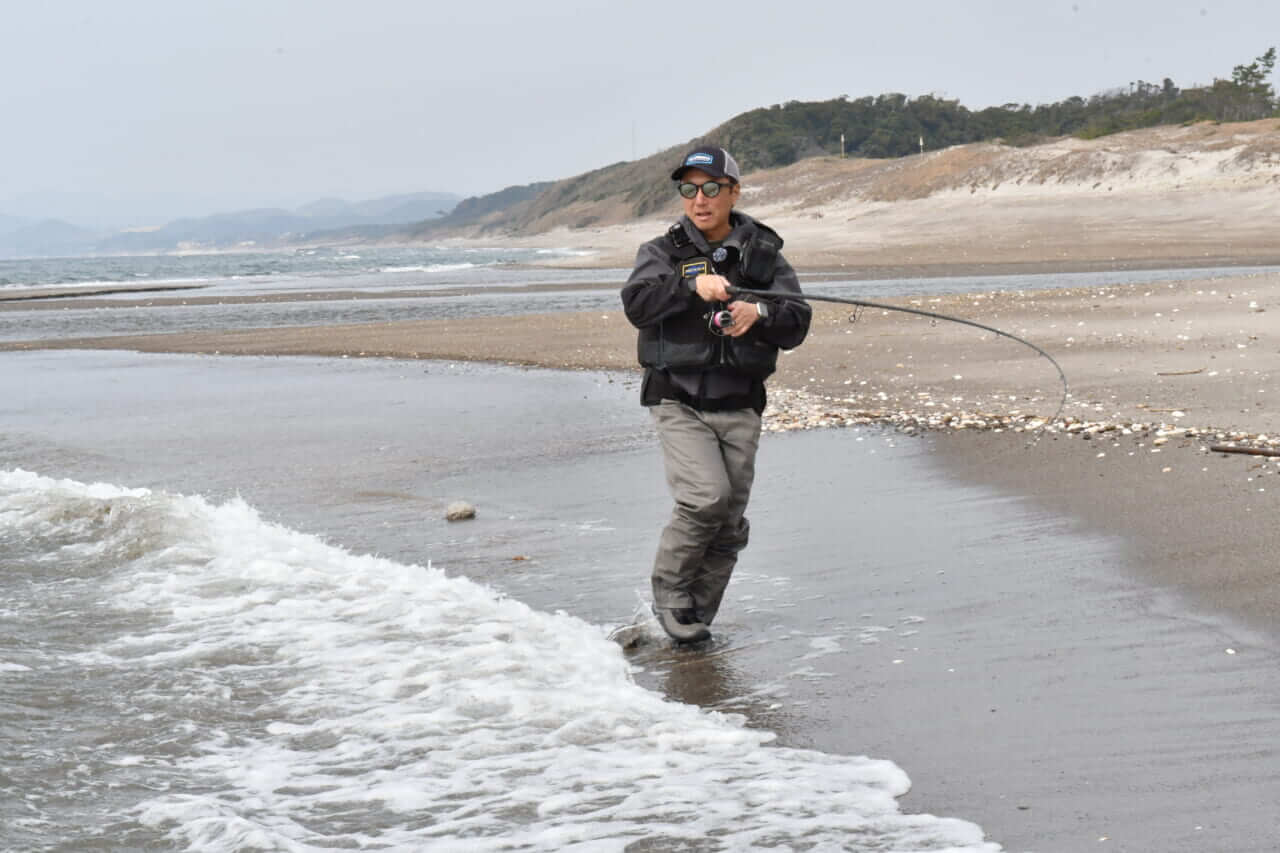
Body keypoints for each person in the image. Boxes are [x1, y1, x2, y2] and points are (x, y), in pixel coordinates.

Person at [620, 146, 811, 643]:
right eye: (688, 189)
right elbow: (638, 306)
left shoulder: (764, 255)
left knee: (728, 521)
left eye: (710, 188)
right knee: (706, 500)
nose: (699, 199)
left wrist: (759, 314)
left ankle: (693, 619)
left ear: (733, 191)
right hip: (677, 397)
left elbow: (796, 321)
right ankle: (670, 597)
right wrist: (690, 290)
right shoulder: (661, 252)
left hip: (741, 401)